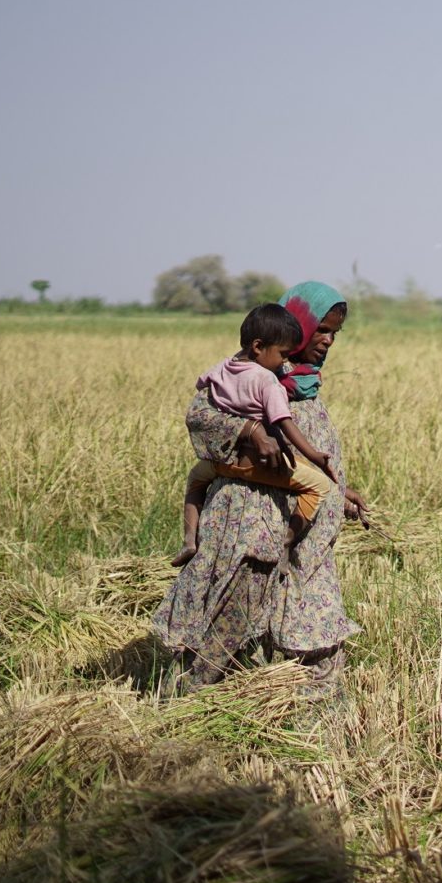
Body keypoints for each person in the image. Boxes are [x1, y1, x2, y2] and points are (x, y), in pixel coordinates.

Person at [151, 281, 366, 694]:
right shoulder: (254, 377)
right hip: (252, 520)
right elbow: (199, 416)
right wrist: (250, 430)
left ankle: (314, 721)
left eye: (335, 332)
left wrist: (342, 490)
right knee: (228, 626)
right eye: (321, 329)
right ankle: (183, 708)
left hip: (306, 533)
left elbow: (309, 449)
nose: (328, 341)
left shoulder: (304, 383)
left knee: (317, 633)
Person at [173, 302, 337, 567]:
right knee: (319, 486)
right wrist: (313, 455)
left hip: (222, 463)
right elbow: (284, 423)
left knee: (194, 481)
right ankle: (287, 543)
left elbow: (202, 386)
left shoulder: (223, 367)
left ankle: (190, 540)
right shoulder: (268, 380)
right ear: (258, 347)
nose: (284, 361)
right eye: (283, 354)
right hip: (258, 467)